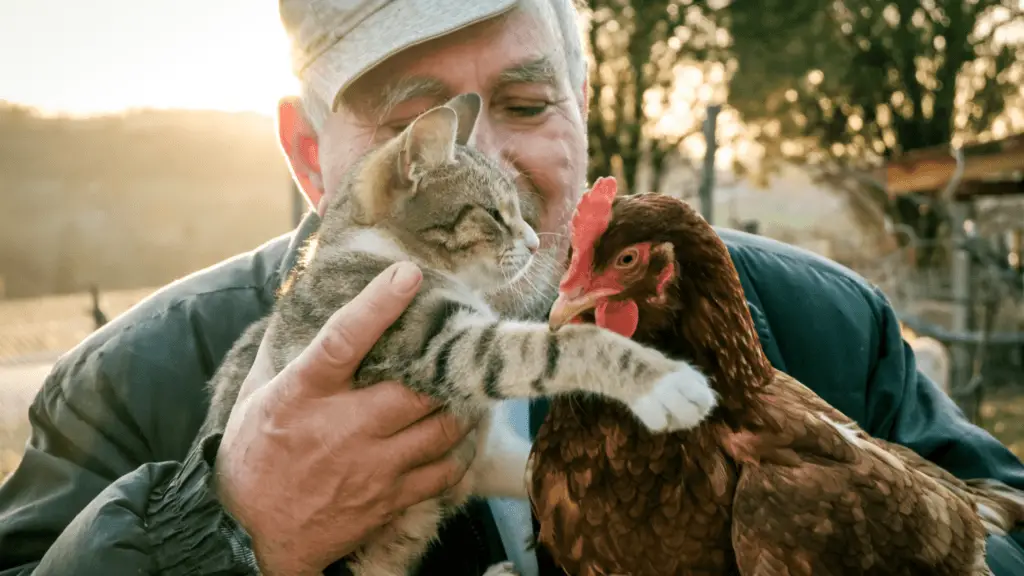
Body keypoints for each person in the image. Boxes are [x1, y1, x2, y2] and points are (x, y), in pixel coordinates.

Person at [1, 0, 1022, 574]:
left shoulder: (824, 324)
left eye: (527, 104)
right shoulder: (130, 387)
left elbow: (999, 518)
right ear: (310, 154)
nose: (485, 167)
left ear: (582, 107)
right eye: (415, 134)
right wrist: (228, 528)